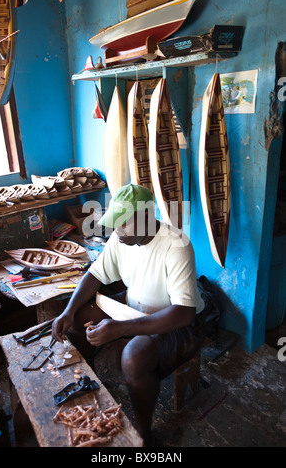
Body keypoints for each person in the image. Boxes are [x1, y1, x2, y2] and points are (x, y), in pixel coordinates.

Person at [52, 184, 206, 446]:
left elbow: (183, 314)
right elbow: (95, 275)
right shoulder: (121, 239)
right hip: (132, 308)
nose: (117, 231)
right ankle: (91, 388)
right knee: (77, 321)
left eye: (124, 224)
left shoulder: (176, 245)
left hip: (175, 323)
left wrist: (122, 329)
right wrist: (69, 309)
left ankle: (145, 434)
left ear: (146, 216)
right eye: (115, 224)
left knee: (134, 358)